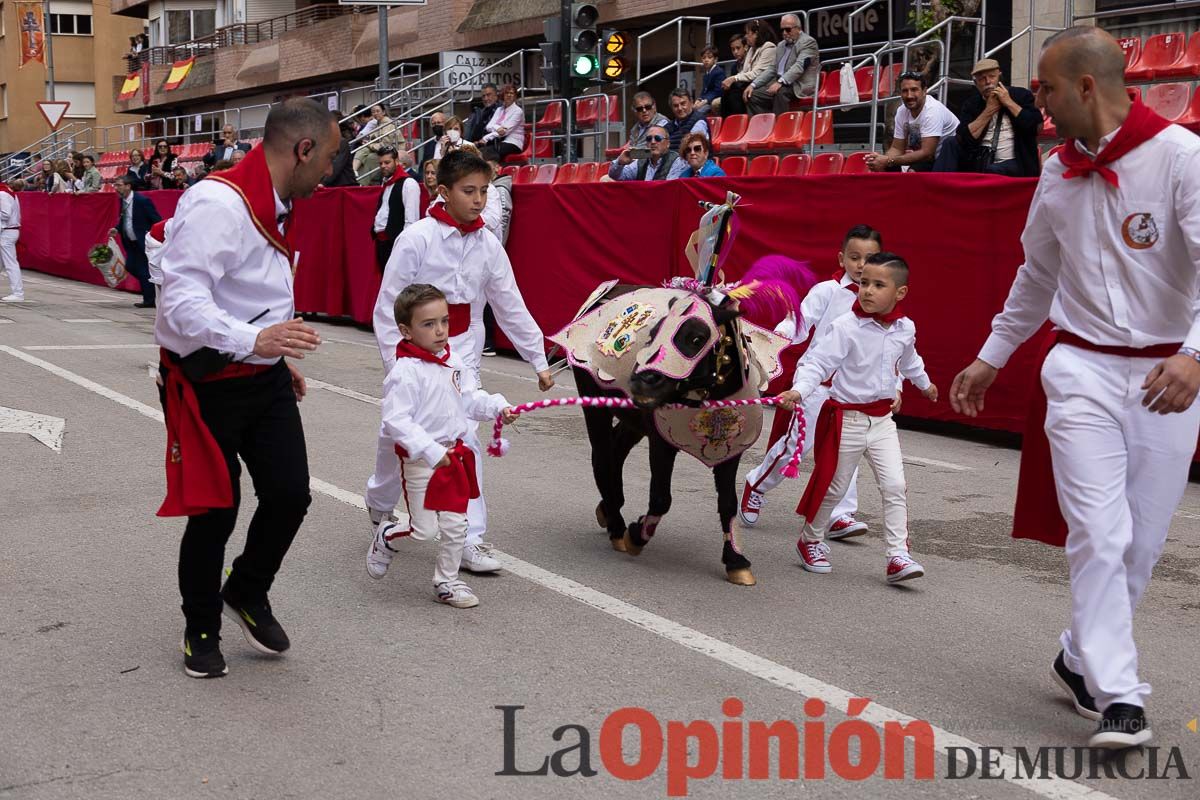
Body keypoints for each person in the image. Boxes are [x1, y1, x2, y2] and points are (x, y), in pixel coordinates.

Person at [949, 26, 1200, 750]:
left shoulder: (1182, 160)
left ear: (1086, 87)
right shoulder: (1057, 173)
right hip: (1080, 369)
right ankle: (1120, 695)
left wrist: (1194, 356)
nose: (1040, 104)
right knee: (1099, 532)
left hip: (1165, 377)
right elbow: (1037, 274)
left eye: (1048, 90)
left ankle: (1076, 655)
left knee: (1141, 546)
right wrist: (993, 354)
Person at [155, 98, 339, 679]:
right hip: (207, 380)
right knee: (215, 510)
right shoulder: (218, 203)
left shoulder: (275, 202)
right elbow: (181, 303)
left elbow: (256, 291)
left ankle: (246, 590)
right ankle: (200, 626)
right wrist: (255, 339)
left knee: (290, 495)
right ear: (302, 150)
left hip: (262, 376)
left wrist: (274, 354)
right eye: (329, 158)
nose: (331, 172)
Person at [369, 151, 554, 574]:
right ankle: (379, 502)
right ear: (443, 192)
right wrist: (394, 363)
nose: (478, 200)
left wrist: (537, 358)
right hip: (414, 350)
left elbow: (509, 302)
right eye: (468, 191)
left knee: (463, 437)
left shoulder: (488, 243)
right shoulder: (416, 238)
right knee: (395, 433)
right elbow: (387, 306)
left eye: (484, 191)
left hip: (462, 350)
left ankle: (470, 537)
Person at [778, 252, 937, 583]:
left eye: (879, 285)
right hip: (846, 419)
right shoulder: (845, 327)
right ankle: (810, 540)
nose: (867, 290)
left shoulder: (905, 328)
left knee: (894, 484)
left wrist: (924, 384)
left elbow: (910, 361)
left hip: (881, 423)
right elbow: (817, 363)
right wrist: (800, 390)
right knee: (834, 489)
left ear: (900, 293)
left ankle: (897, 555)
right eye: (864, 282)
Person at [367, 284, 517, 607]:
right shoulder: (405, 372)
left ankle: (447, 582)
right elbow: (396, 421)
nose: (440, 331)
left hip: (455, 457)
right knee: (423, 531)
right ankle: (386, 536)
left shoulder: (454, 361)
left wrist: (496, 406)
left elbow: (469, 400)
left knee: (456, 525)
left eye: (444, 322)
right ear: (406, 331)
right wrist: (432, 452)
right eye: (428, 324)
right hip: (423, 461)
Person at [742, 225, 884, 534]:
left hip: (853, 390)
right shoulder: (828, 291)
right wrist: (779, 336)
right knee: (796, 447)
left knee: (848, 451)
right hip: (817, 383)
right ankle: (756, 484)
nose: (861, 264)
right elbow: (800, 320)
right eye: (855, 257)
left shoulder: (882, 299)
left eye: (870, 258)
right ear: (842, 258)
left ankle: (838, 514)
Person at [938, 58, 1043, 177]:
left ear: (999, 76)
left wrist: (1008, 102)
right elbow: (964, 138)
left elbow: (1035, 126)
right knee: (949, 143)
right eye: (982, 79)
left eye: (992, 76)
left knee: (993, 170)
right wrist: (988, 110)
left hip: (1015, 162)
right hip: (980, 159)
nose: (988, 82)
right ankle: (938, 187)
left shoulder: (1021, 95)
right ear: (976, 83)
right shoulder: (972, 104)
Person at [866, 72, 960, 172]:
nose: (909, 95)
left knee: (911, 173)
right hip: (929, 159)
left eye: (914, 90)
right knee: (885, 169)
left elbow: (927, 153)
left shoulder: (932, 110)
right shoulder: (902, 111)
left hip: (950, 159)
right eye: (905, 91)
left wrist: (888, 161)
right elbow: (897, 148)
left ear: (924, 91)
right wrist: (881, 161)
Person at [750, 14, 820, 115]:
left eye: (788, 29)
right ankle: (764, 126)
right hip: (780, 83)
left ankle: (781, 127)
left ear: (798, 29)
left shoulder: (808, 42)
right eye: (782, 30)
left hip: (798, 85)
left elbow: (799, 66)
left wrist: (781, 82)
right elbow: (772, 69)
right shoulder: (781, 45)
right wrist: (753, 84)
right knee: (753, 95)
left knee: (781, 92)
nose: (784, 33)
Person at [110, 175, 162, 308]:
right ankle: (150, 290)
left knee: (144, 270)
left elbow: (156, 219)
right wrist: (117, 229)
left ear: (128, 186)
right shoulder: (122, 201)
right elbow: (123, 219)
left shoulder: (142, 201)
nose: (116, 188)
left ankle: (149, 299)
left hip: (142, 240)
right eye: (115, 185)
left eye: (119, 185)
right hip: (130, 240)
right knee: (130, 266)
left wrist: (152, 236)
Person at [373, 147, 421, 270]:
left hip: (396, 244)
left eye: (387, 162)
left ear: (397, 161)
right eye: (380, 163)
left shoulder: (409, 184)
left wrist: (404, 247)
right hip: (382, 243)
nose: (383, 166)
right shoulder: (385, 182)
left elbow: (411, 221)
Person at [720, 19, 778, 117]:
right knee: (727, 92)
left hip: (764, 84)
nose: (746, 36)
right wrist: (732, 80)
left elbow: (757, 73)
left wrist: (734, 78)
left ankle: (741, 123)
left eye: (748, 33)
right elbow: (745, 71)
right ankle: (729, 126)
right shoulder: (752, 49)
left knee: (737, 95)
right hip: (751, 82)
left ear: (756, 34)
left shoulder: (769, 47)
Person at [609, 125, 688, 181]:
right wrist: (620, 163)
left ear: (668, 143)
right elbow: (615, 176)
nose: (653, 142)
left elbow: (668, 188)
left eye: (658, 138)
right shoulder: (641, 160)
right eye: (649, 139)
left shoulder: (677, 161)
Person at [478, 84, 524, 162]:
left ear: (515, 96)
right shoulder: (499, 109)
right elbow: (488, 126)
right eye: (506, 93)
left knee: (487, 152)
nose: (509, 95)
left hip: (514, 143)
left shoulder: (518, 111)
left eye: (512, 93)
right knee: (480, 151)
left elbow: (504, 132)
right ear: (502, 95)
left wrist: (486, 138)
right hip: (500, 141)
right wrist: (497, 127)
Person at [0, 178, 23, 302]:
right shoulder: (7, 192)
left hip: (7, 231)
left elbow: (5, 214)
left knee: (10, 264)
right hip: (9, 231)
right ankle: (17, 292)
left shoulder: (2, 193)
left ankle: (18, 293)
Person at [323, 116, 360, 187]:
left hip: (344, 185)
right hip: (332, 185)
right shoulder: (322, 143)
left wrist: (323, 183)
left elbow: (337, 165)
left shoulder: (341, 143)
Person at [695, 46, 727, 116]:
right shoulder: (706, 74)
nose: (706, 60)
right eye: (704, 58)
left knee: (699, 112)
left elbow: (718, 91)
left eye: (709, 57)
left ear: (715, 59)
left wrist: (705, 101)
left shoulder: (719, 72)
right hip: (707, 100)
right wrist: (699, 99)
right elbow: (704, 90)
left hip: (715, 99)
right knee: (693, 109)